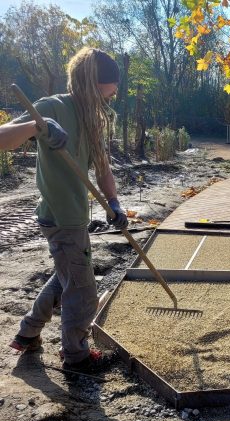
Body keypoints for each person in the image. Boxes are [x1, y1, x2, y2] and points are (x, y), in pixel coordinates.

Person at [0, 47, 128, 374]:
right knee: (84, 291)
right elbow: (2, 138)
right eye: (109, 89)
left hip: (74, 215)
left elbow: (102, 168)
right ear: (93, 82)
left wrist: (113, 203)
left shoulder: (92, 117)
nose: (112, 96)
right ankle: (76, 356)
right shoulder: (53, 107)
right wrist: (38, 127)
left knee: (66, 276)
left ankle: (28, 333)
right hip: (61, 216)